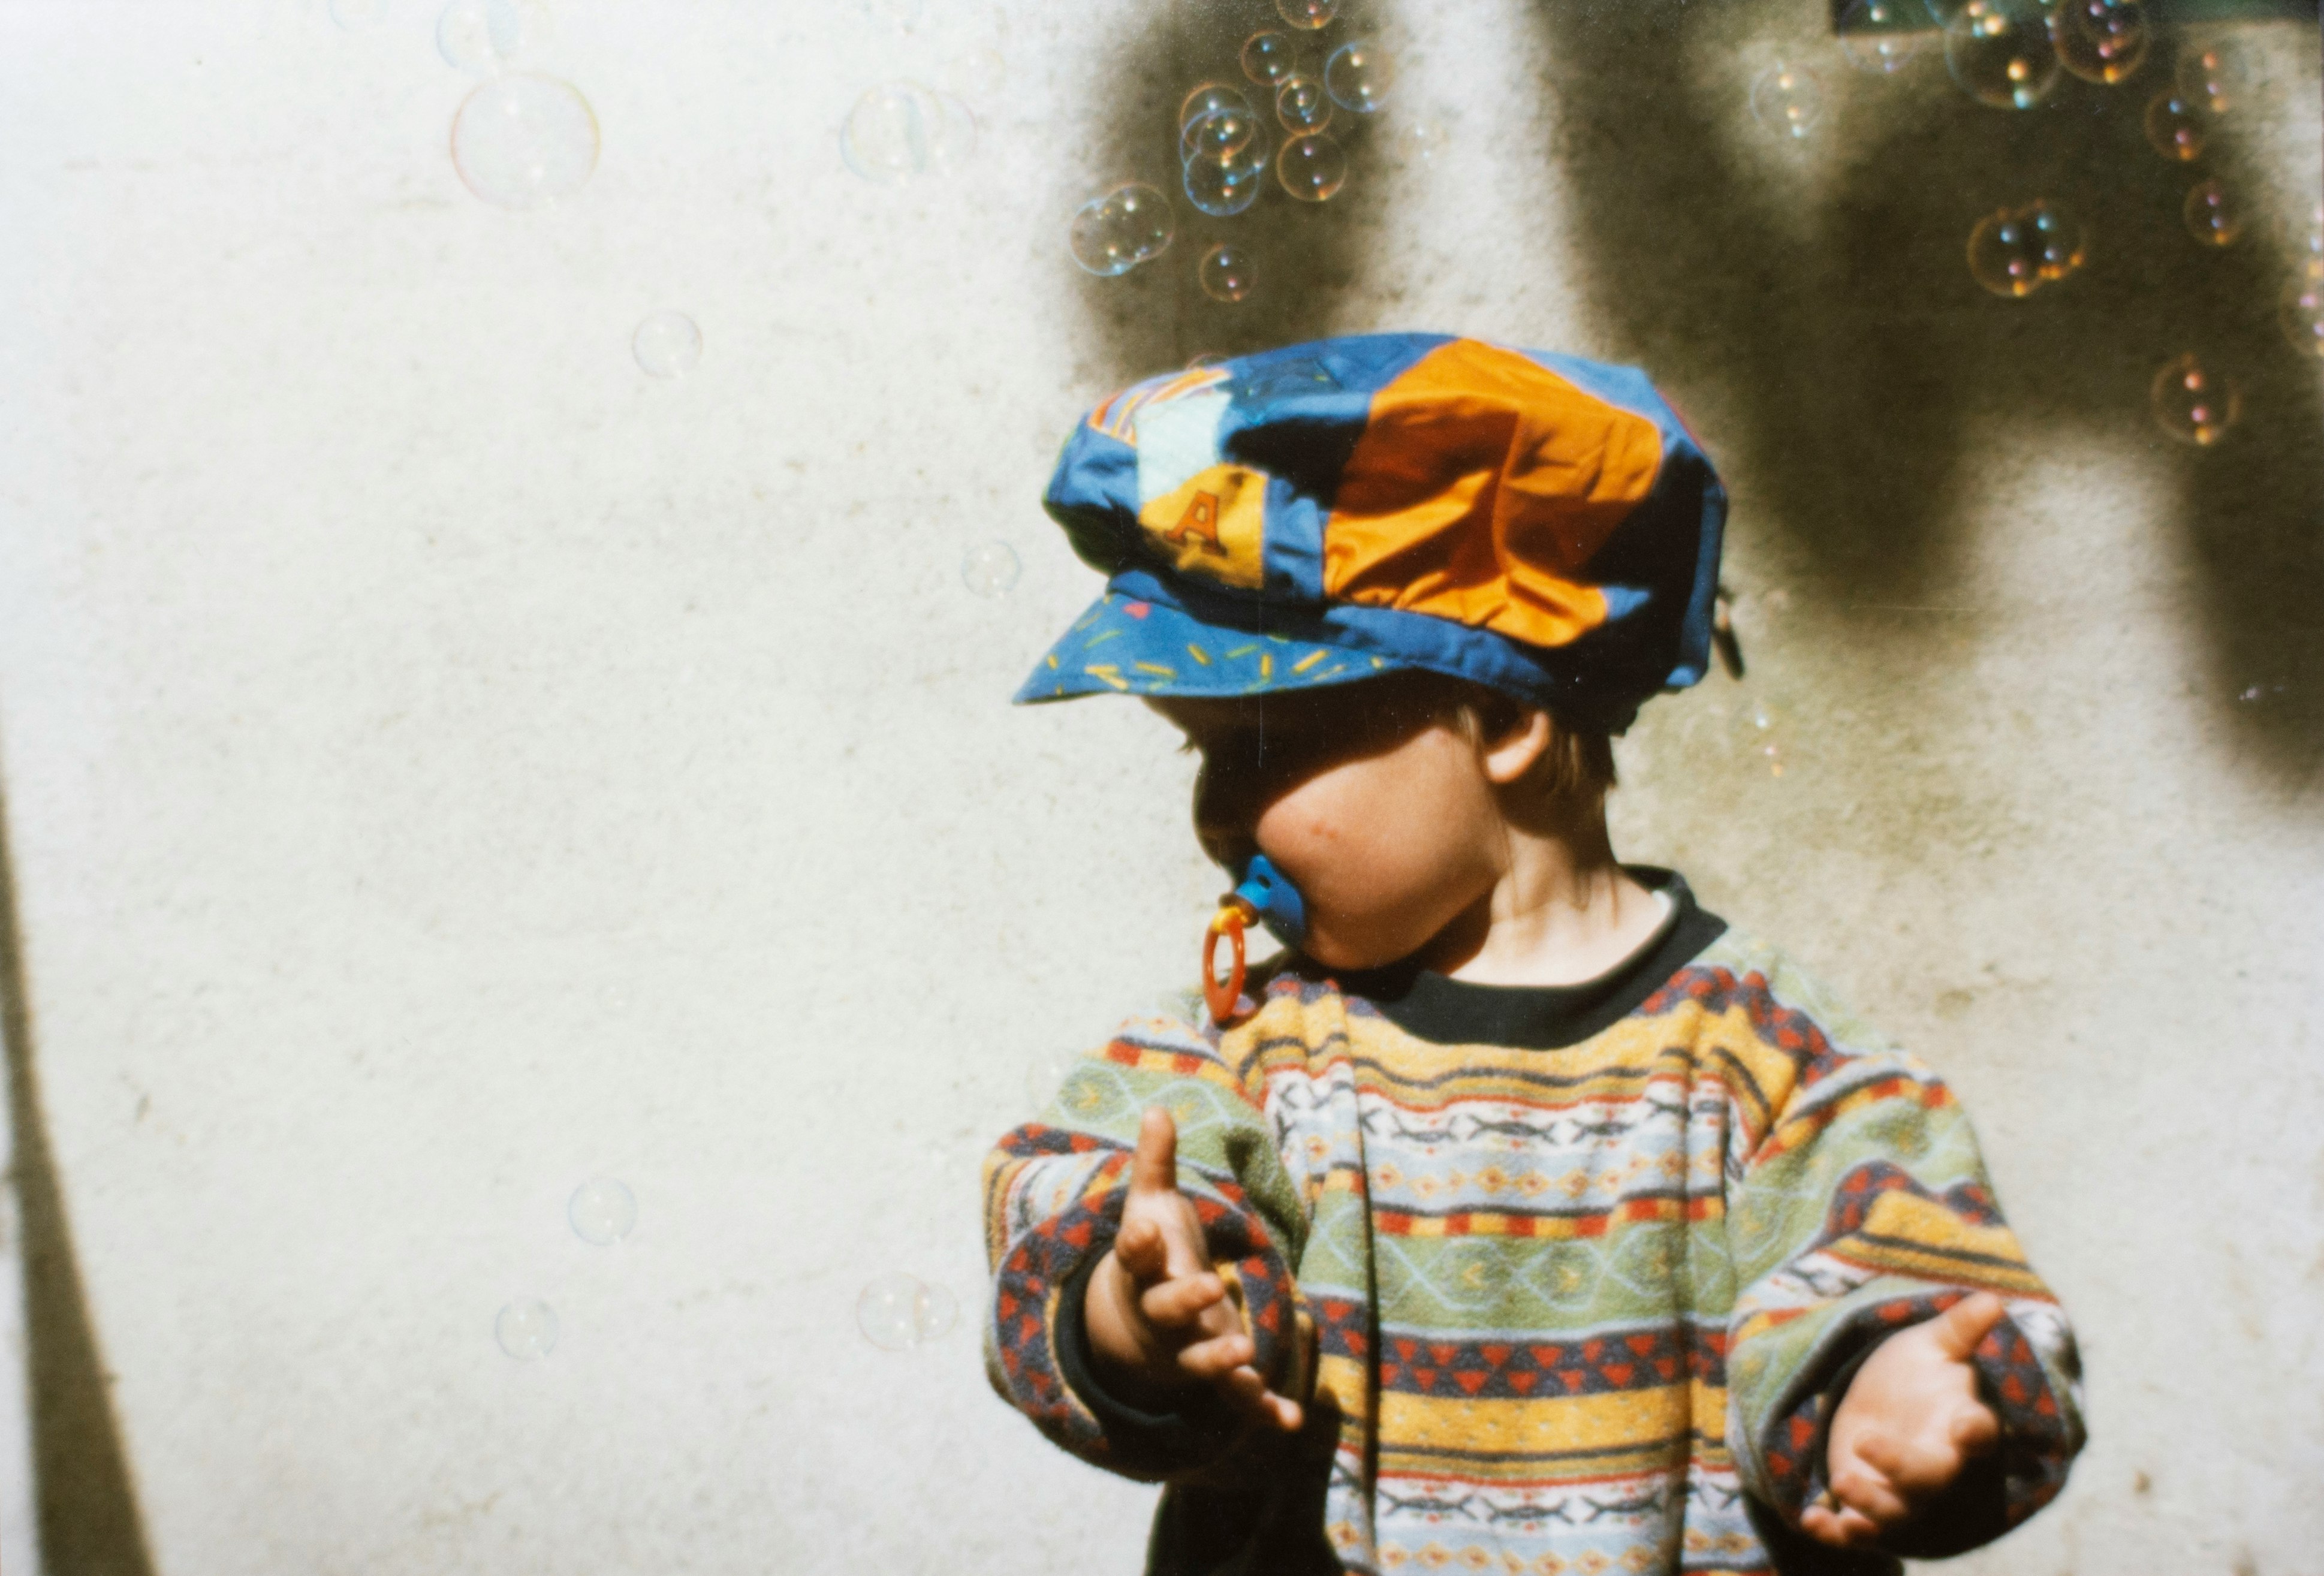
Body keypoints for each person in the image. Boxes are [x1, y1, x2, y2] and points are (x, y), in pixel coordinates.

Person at [981, 333, 2083, 1576]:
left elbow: (1911, 1267)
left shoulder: (1771, 1057)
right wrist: (1127, 1310)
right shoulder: (1246, 1051)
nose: (1215, 812)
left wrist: (1888, 1387)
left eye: (1260, 744)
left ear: (1502, 718)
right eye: (1197, 752)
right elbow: (1078, 1189)